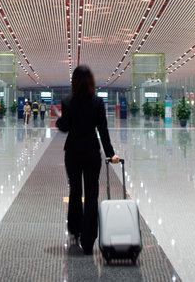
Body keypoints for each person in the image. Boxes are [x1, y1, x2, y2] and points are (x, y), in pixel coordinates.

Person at [57, 65, 119, 255]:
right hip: (92, 152)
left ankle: (75, 230)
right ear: (91, 81)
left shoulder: (67, 101)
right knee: (91, 194)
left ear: (74, 82)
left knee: (75, 190)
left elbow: (65, 127)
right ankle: (89, 239)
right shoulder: (97, 103)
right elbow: (103, 131)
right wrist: (110, 154)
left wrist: (59, 119)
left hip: (73, 152)